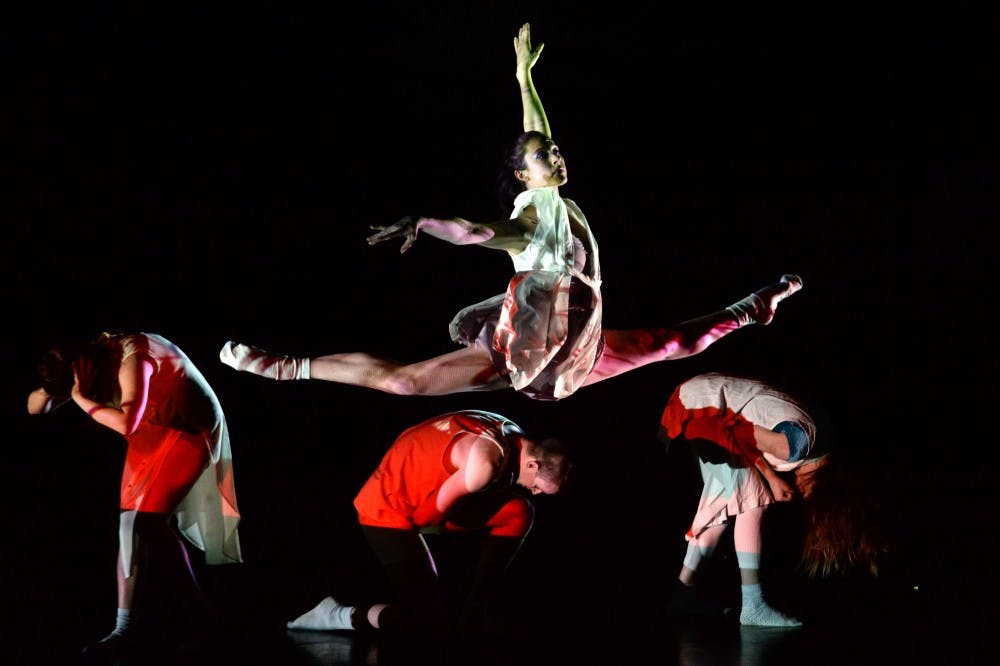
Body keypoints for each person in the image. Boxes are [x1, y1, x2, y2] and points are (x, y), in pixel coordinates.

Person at [218, 23, 803, 401]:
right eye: (545, 155)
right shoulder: (531, 219)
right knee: (403, 381)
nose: (556, 151)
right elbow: (474, 233)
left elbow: (535, 132)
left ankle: (753, 309)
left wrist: (525, 78)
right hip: (528, 346)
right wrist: (425, 223)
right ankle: (285, 365)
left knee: (679, 343)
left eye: (554, 148)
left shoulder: (553, 196)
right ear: (525, 176)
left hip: (582, 347)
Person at [27, 331, 243, 657]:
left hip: (187, 426)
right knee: (130, 524)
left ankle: (199, 614)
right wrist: (56, 390)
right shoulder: (80, 370)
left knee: (147, 522)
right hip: (151, 429)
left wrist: (82, 397)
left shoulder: (132, 357)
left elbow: (127, 423)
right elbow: (34, 407)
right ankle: (125, 628)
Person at [284, 409, 571, 644]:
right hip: (388, 509)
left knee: (519, 511)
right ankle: (337, 615)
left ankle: (476, 608)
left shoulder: (513, 434)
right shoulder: (487, 463)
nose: (534, 491)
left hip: (422, 495)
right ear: (533, 465)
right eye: (540, 488)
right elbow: (427, 518)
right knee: (429, 623)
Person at [658, 372, 886, 627]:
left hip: (694, 403)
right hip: (703, 410)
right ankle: (753, 606)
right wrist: (771, 478)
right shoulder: (795, 447)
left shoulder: (819, 442)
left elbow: (744, 430)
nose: (802, 496)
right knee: (756, 500)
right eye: (810, 497)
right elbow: (735, 431)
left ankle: (683, 594)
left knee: (724, 503)